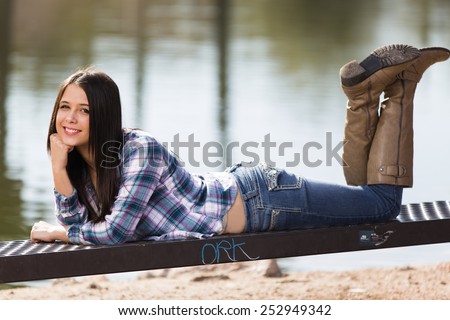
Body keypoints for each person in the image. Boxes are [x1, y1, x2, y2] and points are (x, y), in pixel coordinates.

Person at [30, 44, 449, 245]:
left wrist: (62, 233)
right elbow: (78, 216)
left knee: (382, 206)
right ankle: (362, 97)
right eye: (65, 107)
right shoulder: (87, 165)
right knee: (368, 195)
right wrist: (58, 169)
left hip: (262, 199)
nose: (69, 118)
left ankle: (402, 87)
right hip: (247, 199)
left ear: (103, 114)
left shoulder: (139, 149)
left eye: (83, 110)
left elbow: (113, 232)